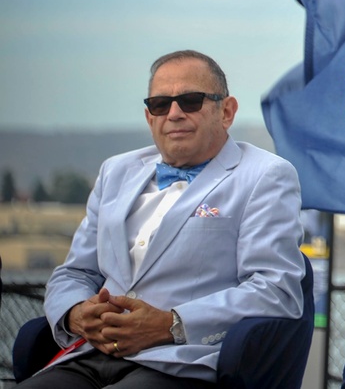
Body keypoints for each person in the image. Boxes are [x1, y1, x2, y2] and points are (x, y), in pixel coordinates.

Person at [20, 50, 306, 388]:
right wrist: (75, 313)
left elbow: (276, 290)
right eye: (160, 104)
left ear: (226, 111)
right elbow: (76, 272)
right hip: (89, 355)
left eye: (190, 100)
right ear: (148, 116)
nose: (174, 113)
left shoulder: (266, 175)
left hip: (181, 362)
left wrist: (173, 324)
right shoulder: (116, 171)